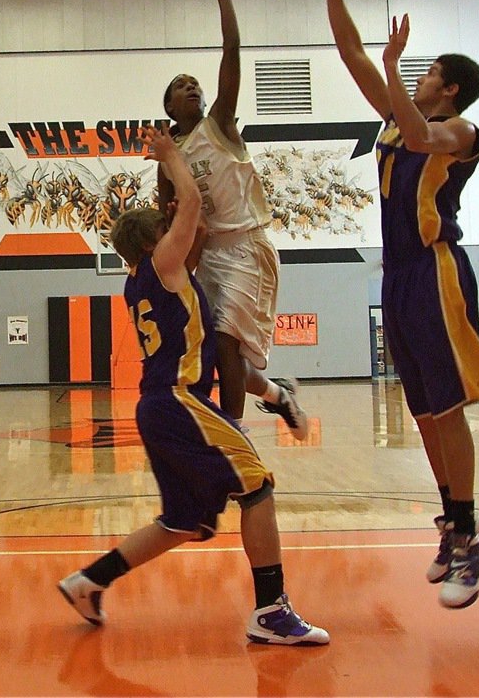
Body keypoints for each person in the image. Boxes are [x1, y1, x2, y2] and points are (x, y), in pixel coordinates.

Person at [58, 127, 327, 646]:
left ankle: (90, 581)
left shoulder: (151, 279)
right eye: (165, 228)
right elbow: (193, 212)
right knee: (258, 484)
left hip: (161, 405)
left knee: (184, 522)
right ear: (149, 242)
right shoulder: (162, 266)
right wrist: (170, 155)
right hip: (181, 402)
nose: (174, 231)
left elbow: (193, 223)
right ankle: (270, 611)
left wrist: (272, 395)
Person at [311, 0, 479, 608]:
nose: (412, 75)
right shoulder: (395, 121)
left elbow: (421, 134)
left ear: (447, 90)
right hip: (395, 277)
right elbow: (348, 49)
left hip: (436, 269)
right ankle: (452, 524)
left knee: (447, 408)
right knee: (421, 411)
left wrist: (393, 70)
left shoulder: (461, 134)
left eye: (424, 72)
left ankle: (471, 533)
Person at [155, 0, 308, 441]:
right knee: (223, 357)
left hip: (247, 244)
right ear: (169, 107)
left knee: (225, 343)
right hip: (209, 256)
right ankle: (279, 396)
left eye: (194, 83)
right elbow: (169, 220)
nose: (193, 86)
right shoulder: (168, 156)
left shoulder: (219, 122)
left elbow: (232, 50)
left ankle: (234, 437)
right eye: (182, 87)